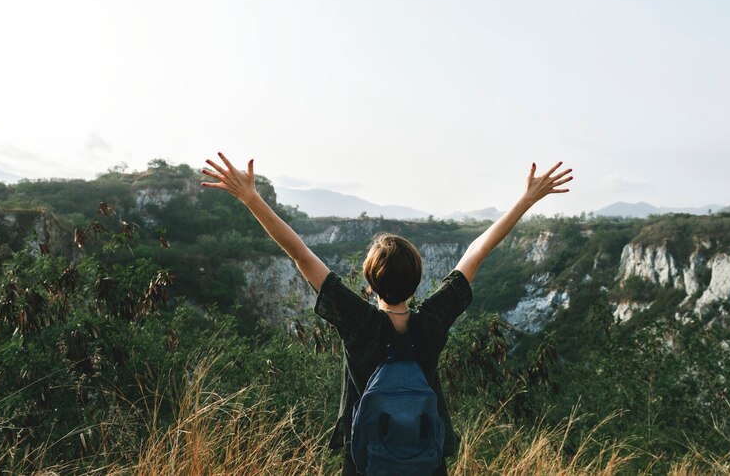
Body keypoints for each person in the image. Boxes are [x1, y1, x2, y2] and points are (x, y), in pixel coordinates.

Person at [201, 153, 572, 475]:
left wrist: (250, 198)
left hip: (365, 460)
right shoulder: (432, 322)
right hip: (426, 460)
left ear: (369, 281)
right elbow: (477, 251)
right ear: (418, 279)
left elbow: (299, 253)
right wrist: (525, 201)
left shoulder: (358, 323)